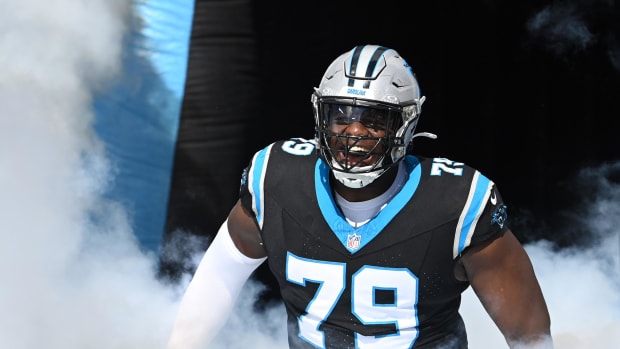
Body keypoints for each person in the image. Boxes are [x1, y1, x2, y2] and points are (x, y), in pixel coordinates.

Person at [166, 45, 553, 349]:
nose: (354, 134)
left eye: (373, 120)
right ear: (320, 118)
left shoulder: (456, 201)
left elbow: (529, 332)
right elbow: (221, 270)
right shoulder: (277, 178)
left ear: (405, 124)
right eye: (341, 117)